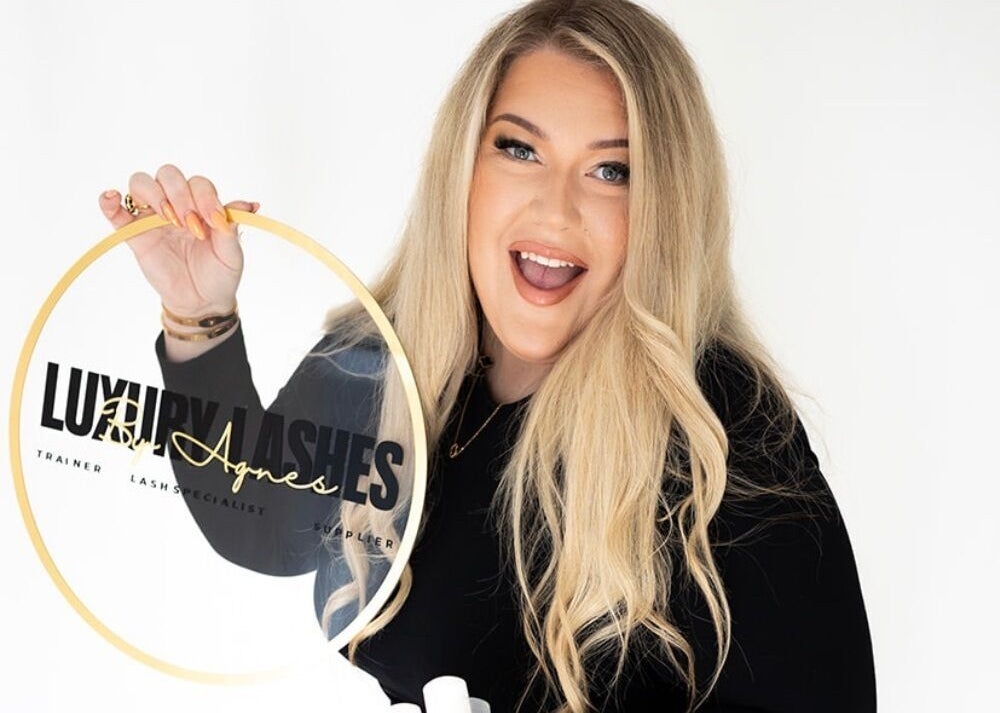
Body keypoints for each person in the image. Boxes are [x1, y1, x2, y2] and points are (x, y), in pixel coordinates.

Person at [97, 1, 876, 711]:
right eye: (520, 149)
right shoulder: (381, 359)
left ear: (663, 208)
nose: (556, 208)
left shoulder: (721, 431)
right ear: (462, 168)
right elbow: (266, 524)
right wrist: (197, 318)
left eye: (612, 170)